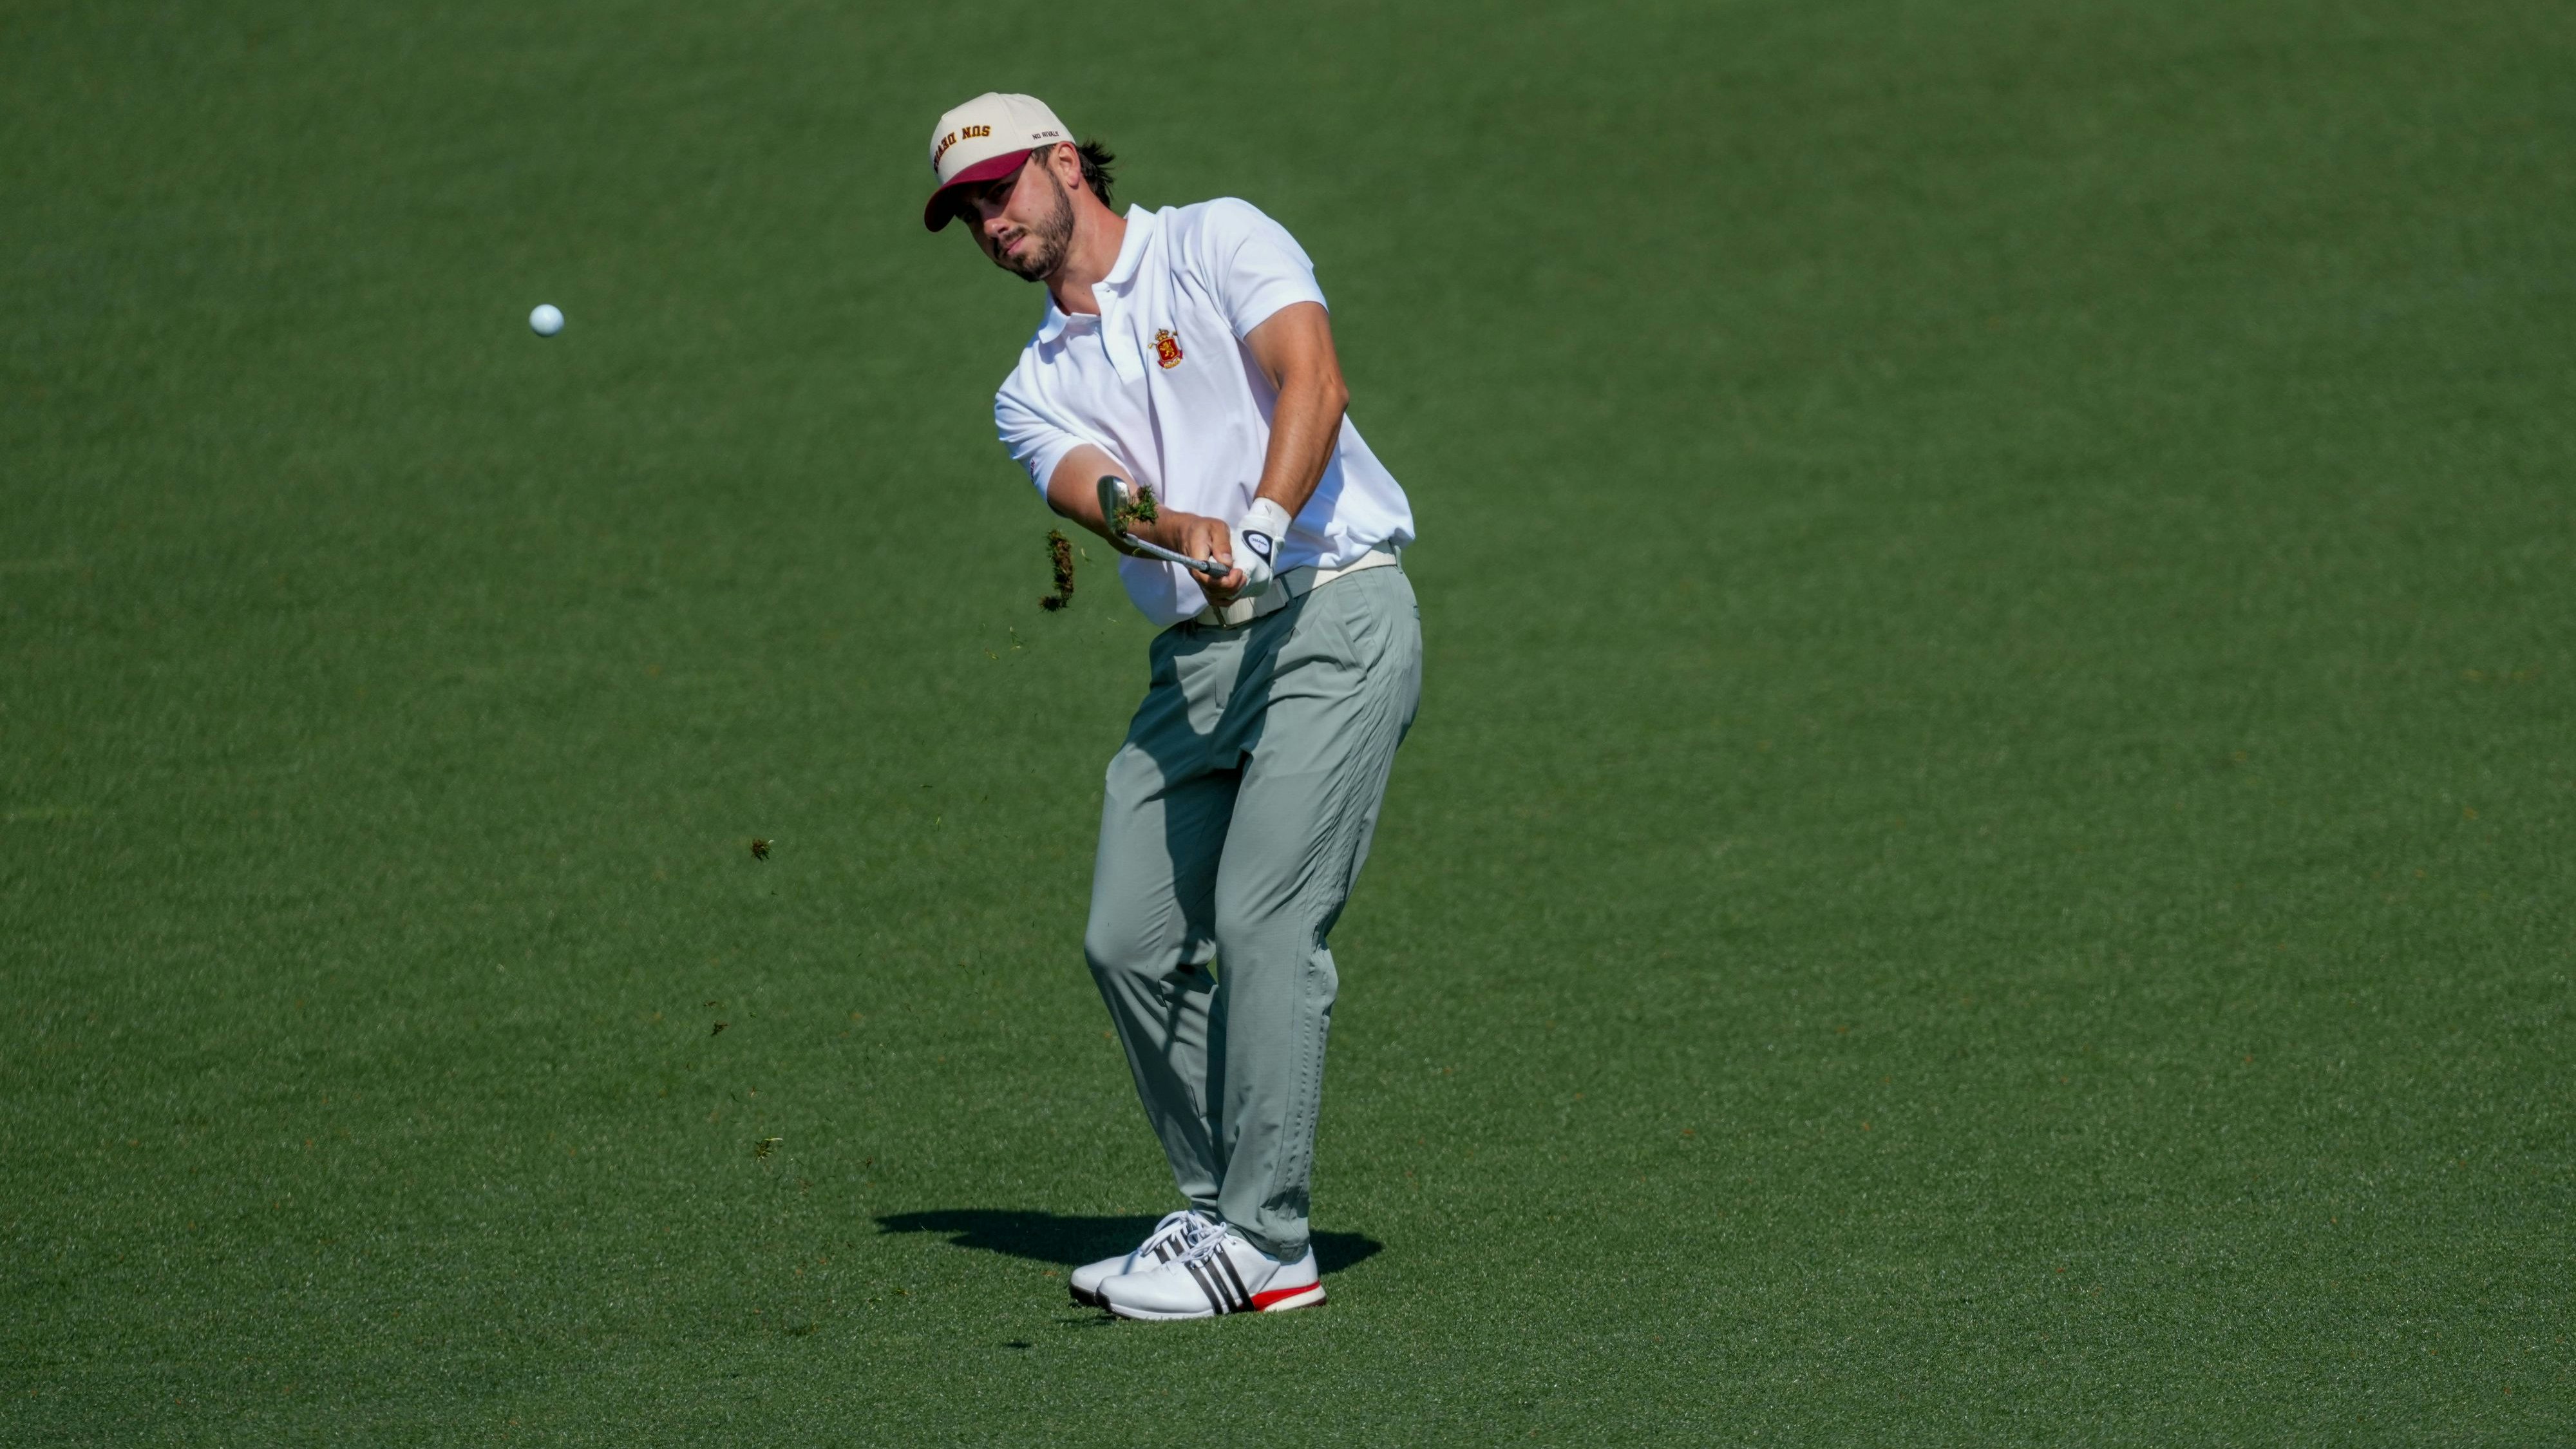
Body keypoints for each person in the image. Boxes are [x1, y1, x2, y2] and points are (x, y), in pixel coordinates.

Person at [923, 93, 1423, 1320]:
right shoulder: (1026, 386)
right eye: (966, 215)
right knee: (1128, 938)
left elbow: (1315, 376)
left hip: (1333, 613)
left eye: (999, 193)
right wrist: (1174, 528)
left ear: (1060, 163)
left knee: (1262, 921)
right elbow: (1094, 491)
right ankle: (1218, 1209)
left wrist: (1256, 516)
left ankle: (1271, 1243)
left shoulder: (1216, 240)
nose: (990, 226)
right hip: (1196, 664)